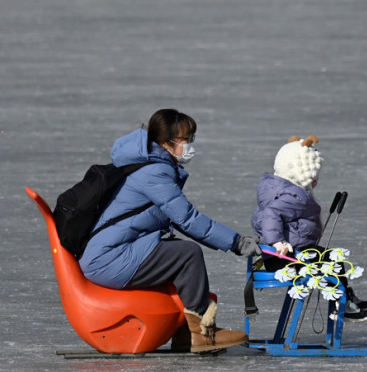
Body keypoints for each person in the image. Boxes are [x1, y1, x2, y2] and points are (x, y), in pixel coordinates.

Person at [79, 109, 263, 352]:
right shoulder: (154, 172)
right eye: (186, 140)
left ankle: (185, 333)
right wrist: (236, 242)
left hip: (109, 253)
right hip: (109, 259)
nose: (190, 146)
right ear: (166, 143)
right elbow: (187, 218)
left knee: (175, 252)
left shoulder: (149, 164)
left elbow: (175, 218)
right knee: (187, 254)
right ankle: (202, 332)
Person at [250, 135, 367, 320]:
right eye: (312, 174)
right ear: (299, 171)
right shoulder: (294, 196)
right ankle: (345, 302)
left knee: (330, 258)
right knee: (334, 261)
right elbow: (270, 215)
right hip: (286, 258)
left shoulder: (279, 188)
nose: (315, 180)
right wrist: (277, 242)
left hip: (283, 255)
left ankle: (347, 296)